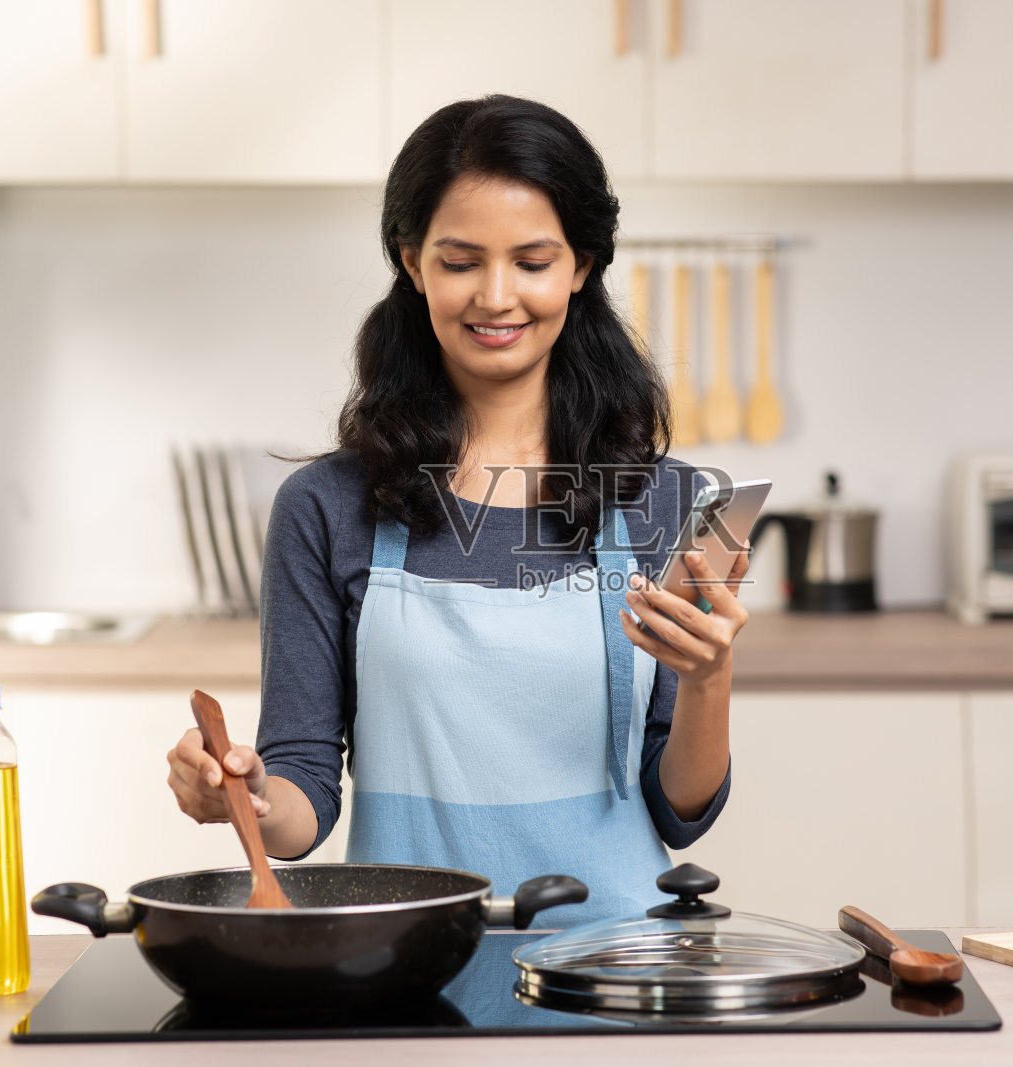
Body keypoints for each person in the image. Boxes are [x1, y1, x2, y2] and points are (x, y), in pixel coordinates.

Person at [166, 95, 750, 924]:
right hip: (409, 964)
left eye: (533, 261)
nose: (497, 296)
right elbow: (303, 798)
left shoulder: (675, 502)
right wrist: (247, 796)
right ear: (413, 263)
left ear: (581, 266)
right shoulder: (327, 506)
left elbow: (681, 809)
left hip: (611, 969)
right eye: (461, 261)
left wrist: (708, 679)